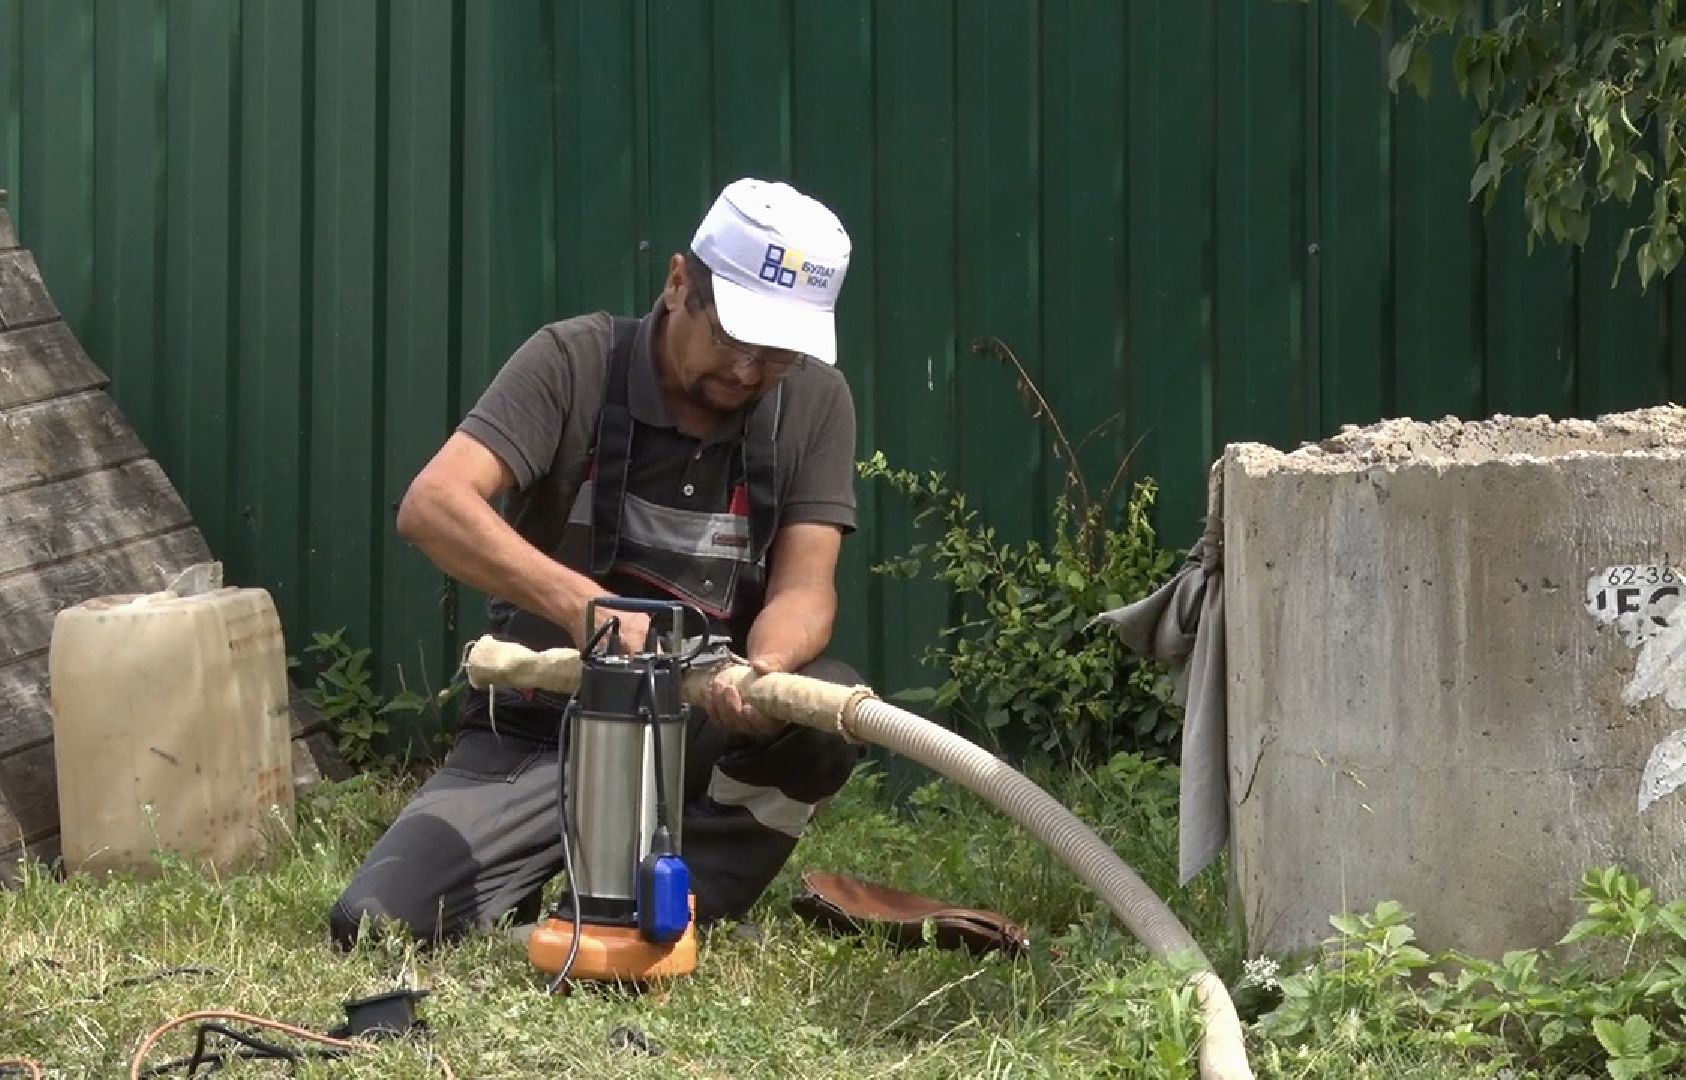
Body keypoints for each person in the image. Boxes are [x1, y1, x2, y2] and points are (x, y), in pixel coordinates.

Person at [329, 178, 863, 946]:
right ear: (680, 282)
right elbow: (434, 504)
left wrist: (765, 669)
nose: (750, 373)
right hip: (548, 728)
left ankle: (681, 907)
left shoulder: (817, 402)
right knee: (376, 925)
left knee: (824, 711)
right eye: (736, 342)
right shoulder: (571, 360)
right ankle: (562, 877)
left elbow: (808, 588)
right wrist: (592, 613)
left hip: (697, 731)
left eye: (776, 356)